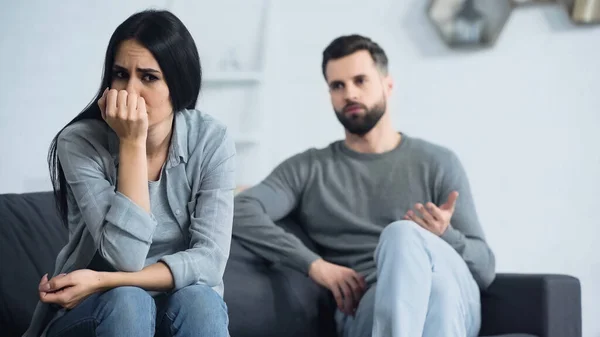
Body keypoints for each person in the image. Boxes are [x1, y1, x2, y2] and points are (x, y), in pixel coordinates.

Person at [232, 34, 496, 337]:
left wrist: (444, 235)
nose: (350, 94)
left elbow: (485, 269)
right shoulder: (308, 168)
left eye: (361, 80)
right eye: (337, 86)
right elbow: (241, 208)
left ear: (388, 85)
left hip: (453, 297)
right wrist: (315, 265)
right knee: (408, 256)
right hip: (370, 305)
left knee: (409, 244)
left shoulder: (438, 162)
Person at [23, 9, 236, 337]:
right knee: (129, 300)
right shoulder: (79, 143)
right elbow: (126, 257)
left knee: (201, 301)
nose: (130, 91)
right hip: (94, 309)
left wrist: (103, 279)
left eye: (148, 77)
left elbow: (209, 262)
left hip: (155, 299)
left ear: (177, 85)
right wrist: (132, 142)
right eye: (121, 74)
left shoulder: (212, 140)